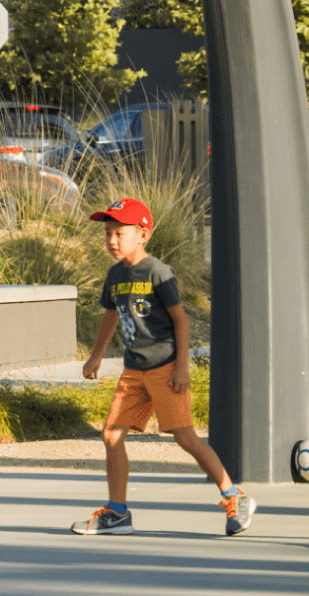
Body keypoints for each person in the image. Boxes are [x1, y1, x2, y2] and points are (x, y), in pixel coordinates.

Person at [72, 197, 254, 538]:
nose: (111, 240)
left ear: (143, 234)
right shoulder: (114, 275)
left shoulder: (157, 271)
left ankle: (234, 495)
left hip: (164, 367)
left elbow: (180, 321)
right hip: (133, 369)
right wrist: (95, 355)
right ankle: (117, 514)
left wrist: (181, 368)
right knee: (111, 435)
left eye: (119, 232)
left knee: (185, 437)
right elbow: (111, 314)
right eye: (108, 233)